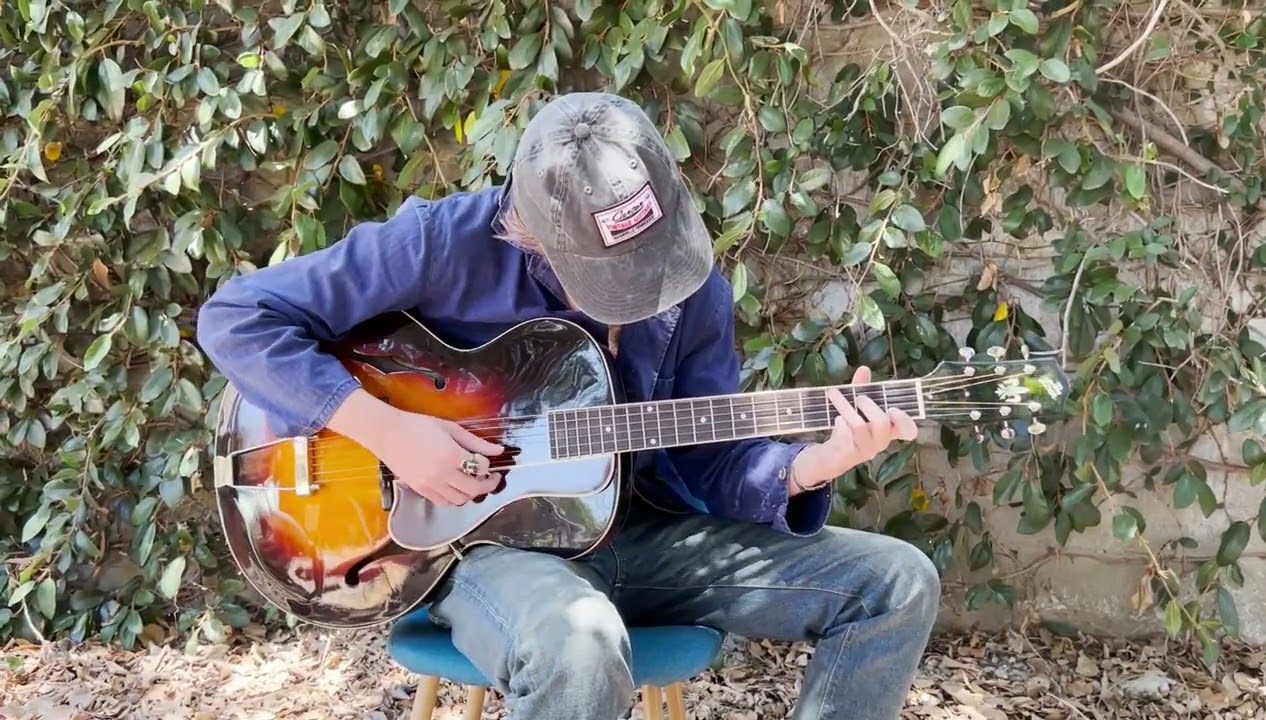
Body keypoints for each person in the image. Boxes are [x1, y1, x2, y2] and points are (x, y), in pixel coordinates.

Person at [197, 91, 940, 720]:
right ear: (529, 231)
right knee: (579, 648)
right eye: (610, 273)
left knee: (897, 582)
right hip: (493, 553)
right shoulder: (442, 245)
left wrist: (812, 465)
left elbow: (712, 458)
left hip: (642, 537)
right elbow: (236, 320)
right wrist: (390, 430)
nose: (641, 290)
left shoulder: (690, 289)